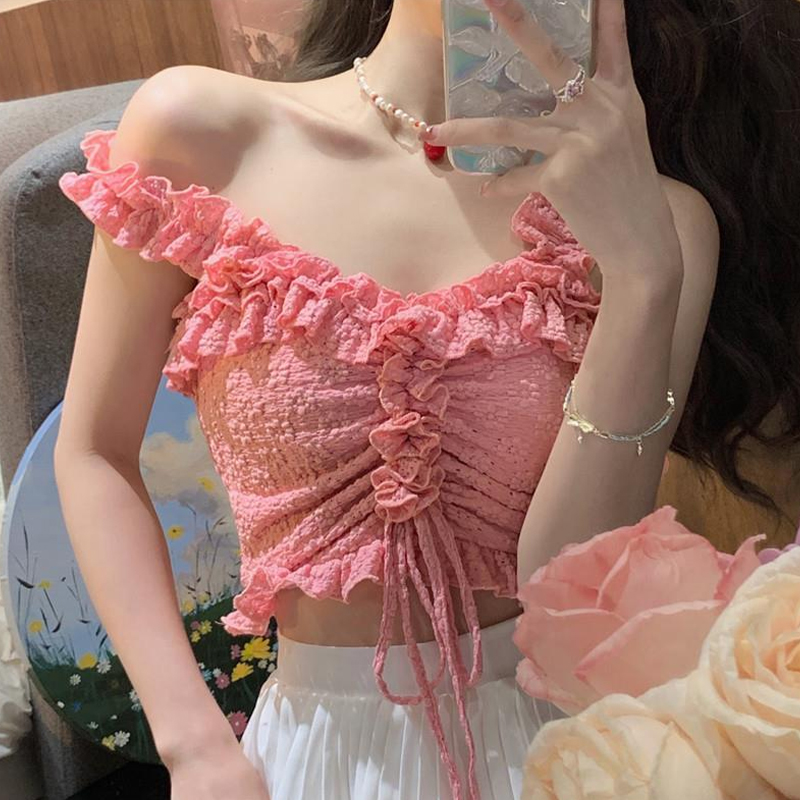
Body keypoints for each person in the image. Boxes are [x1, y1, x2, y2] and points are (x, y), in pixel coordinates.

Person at [51, 0, 800, 798]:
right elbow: (94, 452)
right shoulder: (203, 133)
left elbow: (560, 579)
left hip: (554, 753)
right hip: (306, 757)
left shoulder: (661, 226)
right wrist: (193, 745)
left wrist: (642, 277)